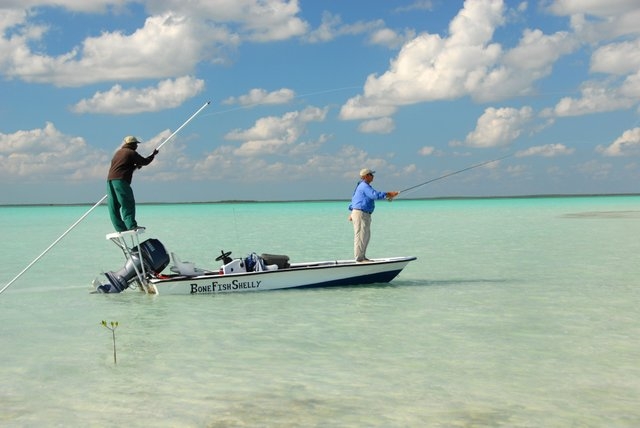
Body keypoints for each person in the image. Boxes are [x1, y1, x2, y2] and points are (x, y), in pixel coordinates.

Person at [107, 136, 158, 232]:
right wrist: (153, 155)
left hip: (110, 180)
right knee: (127, 203)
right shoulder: (131, 152)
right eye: (136, 144)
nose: (137, 146)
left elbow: (123, 166)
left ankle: (120, 228)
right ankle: (131, 225)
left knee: (114, 206)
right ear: (133, 144)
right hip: (121, 180)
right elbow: (145, 162)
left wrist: (135, 166)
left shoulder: (118, 153)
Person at [348, 168, 399, 262]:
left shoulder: (363, 186)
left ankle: (362, 257)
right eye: (371, 174)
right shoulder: (364, 186)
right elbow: (374, 195)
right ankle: (359, 259)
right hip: (361, 213)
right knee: (360, 236)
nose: (373, 176)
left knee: (366, 236)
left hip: (364, 214)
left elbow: (355, 198)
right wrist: (388, 193)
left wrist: (352, 211)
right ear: (366, 176)